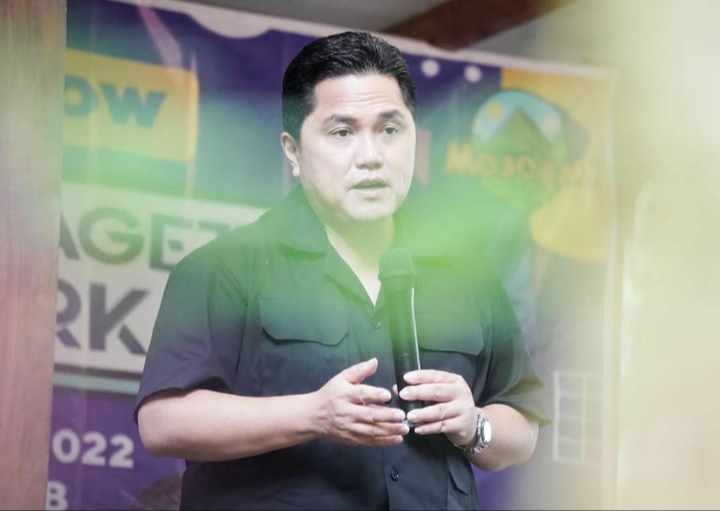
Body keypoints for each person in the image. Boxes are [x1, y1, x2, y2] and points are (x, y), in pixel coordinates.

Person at [135, 31, 549, 510]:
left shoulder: (468, 272)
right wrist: (313, 414)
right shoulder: (224, 268)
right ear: (293, 151)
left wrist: (474, 424)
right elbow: (163, 424)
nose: (371, 156)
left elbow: (522, 430)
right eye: (342, 133)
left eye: (389, 130)